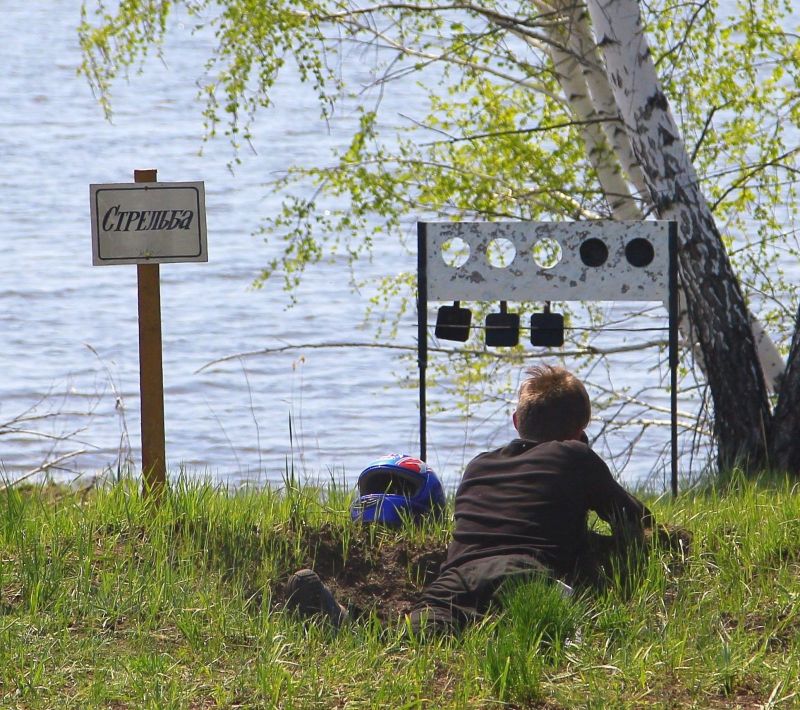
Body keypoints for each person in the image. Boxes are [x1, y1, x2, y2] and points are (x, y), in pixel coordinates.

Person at [286, 364, 653, 634]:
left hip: (458, 578)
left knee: (411, 637)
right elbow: (634, 519)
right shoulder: (574, 456)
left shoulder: (479, 466)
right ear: (579, 432)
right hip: (526, 576)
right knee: (514, 626)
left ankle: (348, 623)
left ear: (516, 422)